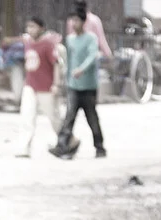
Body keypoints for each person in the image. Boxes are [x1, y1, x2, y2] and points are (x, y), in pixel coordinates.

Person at [50, 5, 105, 160]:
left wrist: (82, 69)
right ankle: (62, 145)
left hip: (88, 86)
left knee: (92, 117)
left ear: (83, 21)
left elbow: (92, 56)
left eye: (76, 20)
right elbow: (68, 62)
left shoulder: (91, 38)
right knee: (69, 117)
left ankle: (99, 147)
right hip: (73, 86)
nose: (73, 24)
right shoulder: (70, 39)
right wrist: (65, 79)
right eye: (71, 20)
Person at [16, 16, 74, 157]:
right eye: (28, 27)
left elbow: (55, 65)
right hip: (30, 85)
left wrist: (56, 84)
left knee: (54, 118)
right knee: (27, 116)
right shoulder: (28, 42)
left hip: (46, 87)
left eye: (33, 27)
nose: (30, 30)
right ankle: (24, 147)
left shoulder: (47, 44)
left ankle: (69, 141)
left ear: (41, 28)